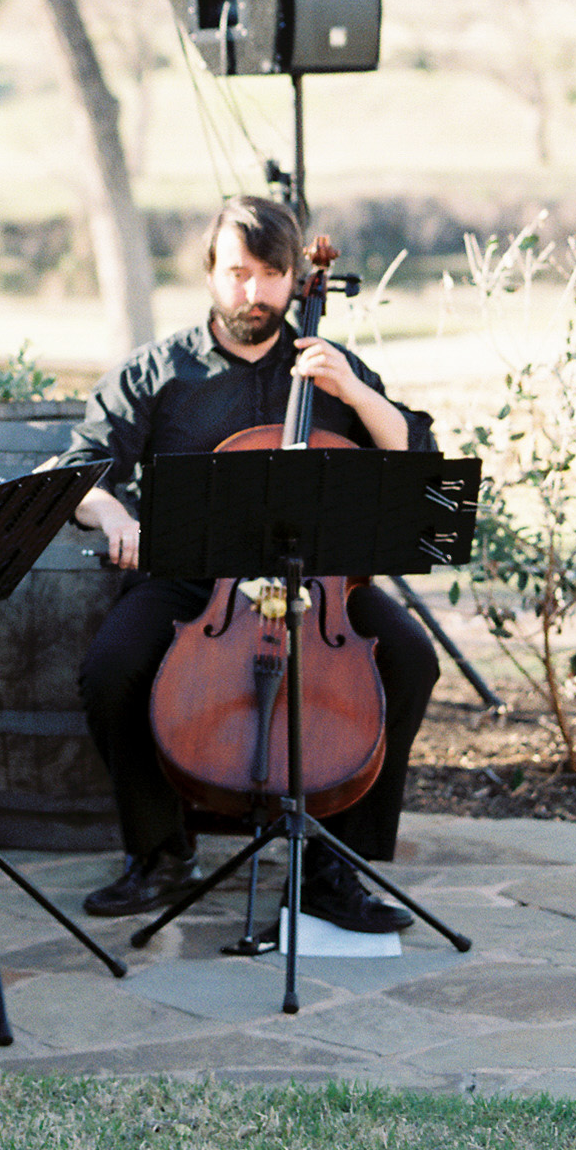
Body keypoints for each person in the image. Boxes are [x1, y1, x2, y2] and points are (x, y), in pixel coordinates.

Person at [66, 194, 440, 932]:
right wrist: (114, 512)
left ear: (296, 277)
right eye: (238, 272)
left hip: (319, 584)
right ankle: (163, 853)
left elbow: (415, 459)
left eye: (272, 274)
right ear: (210, 272)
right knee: (109, 669)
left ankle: (332, 866)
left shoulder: (327, 365)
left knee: (408, 657)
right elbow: (81, 470)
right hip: (195, 583)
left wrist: (354, 392)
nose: (254, 292)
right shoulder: (157, 372)